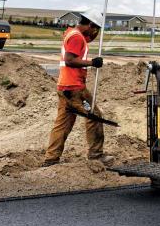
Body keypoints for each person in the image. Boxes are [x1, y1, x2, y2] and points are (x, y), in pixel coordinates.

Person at [43, 10, 114, 167]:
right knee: (94, 115)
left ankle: (51, 159)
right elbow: (69, 60)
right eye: (95, 28)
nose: (95, 32)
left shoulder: (72, 34)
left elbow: (86, 41)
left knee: (62, 124)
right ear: (89, 24)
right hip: (75, 89)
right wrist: (92, 63)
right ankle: (96, 155)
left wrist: (95, 32)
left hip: (64, 87)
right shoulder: (76, 37)